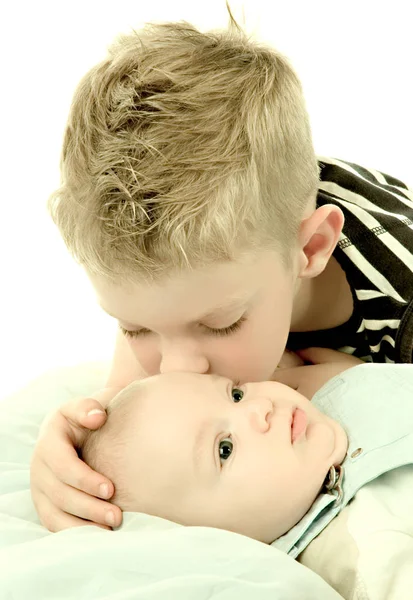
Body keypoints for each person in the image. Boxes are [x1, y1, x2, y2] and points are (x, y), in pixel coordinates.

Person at [30, 11, 413, 533]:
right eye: (135, 328)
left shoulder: (400, 303)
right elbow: (125, 414)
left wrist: (328, 380)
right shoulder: (212, 269)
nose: (175, 370)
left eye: (220, 325)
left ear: (312, 248)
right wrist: (73, 447)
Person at [78, 348, 413, 570]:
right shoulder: (364, 548)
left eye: (235, 394)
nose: (259, 408)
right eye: (225, 449)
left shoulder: (326, 394)